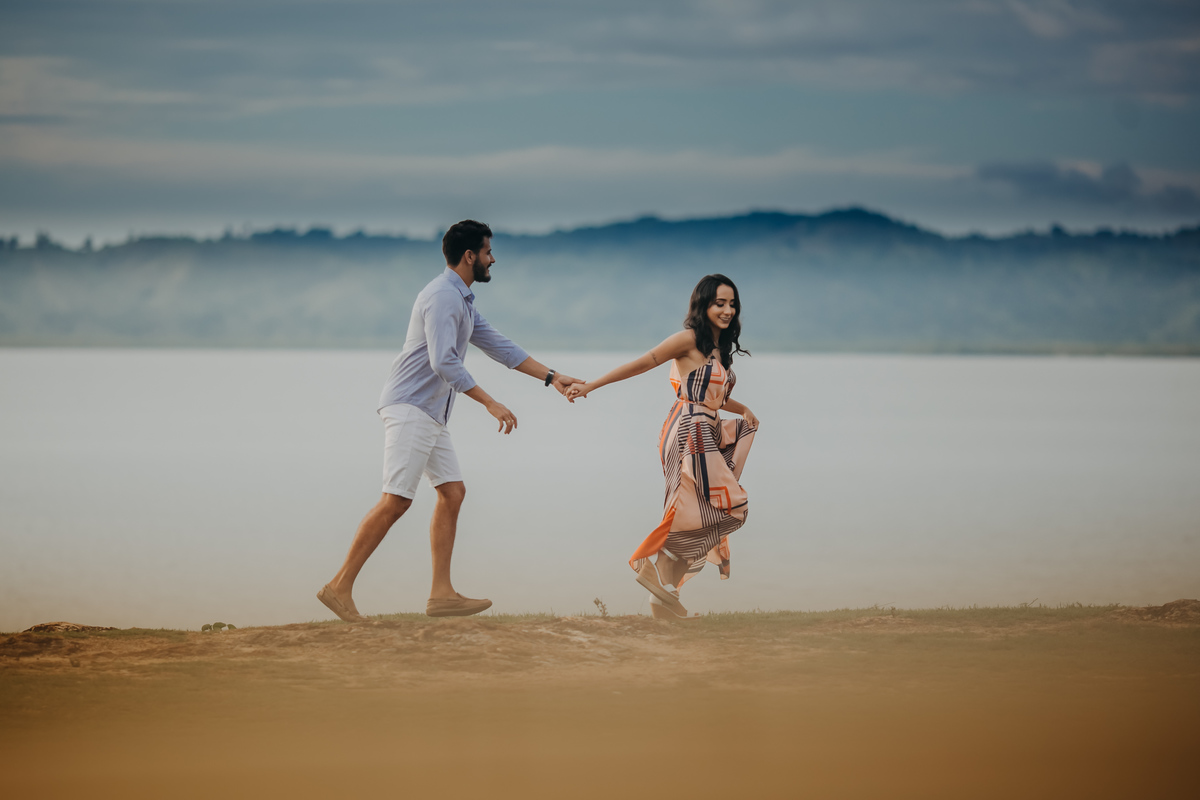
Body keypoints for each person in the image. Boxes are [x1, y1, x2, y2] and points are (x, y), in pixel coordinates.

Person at [318, 220, 581, 621]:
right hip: (411, 407)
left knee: (452, 492)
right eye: (489, 251)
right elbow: (443, 361)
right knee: (396, 499)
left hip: (430, 412)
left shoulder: (462, 300)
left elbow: (500, 346)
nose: (494, 259)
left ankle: (441, 594)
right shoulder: (442, 297)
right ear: (470, 256)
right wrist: (489, 402)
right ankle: (339, 587)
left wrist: (551, 377)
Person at [566, 274, 758, 621]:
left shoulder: (719, 349)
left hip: (707, 430)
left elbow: (713, 397)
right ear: (703, 305)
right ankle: (652, 565)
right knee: (726, 507)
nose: (728, 310)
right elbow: (643, 363)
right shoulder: (687, 340)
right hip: (687, 432)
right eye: (720, 303)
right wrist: (592, 385)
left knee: (698, 512)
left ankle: (662, 597)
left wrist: (741, 409)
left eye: (732, 304)